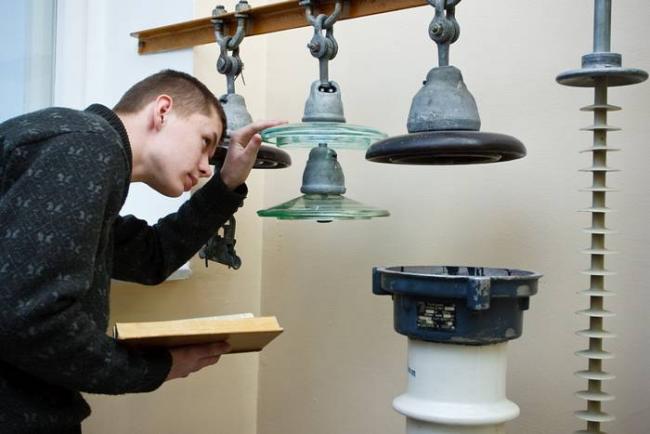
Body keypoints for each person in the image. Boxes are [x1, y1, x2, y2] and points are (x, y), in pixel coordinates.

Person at [0, 69, 283, 433]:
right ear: (162, 111)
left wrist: (226, 183)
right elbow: (32, 320)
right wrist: (153, 368)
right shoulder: (86, 146)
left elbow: (151, 257)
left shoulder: (82, 150)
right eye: (205, 142)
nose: (204, 167)